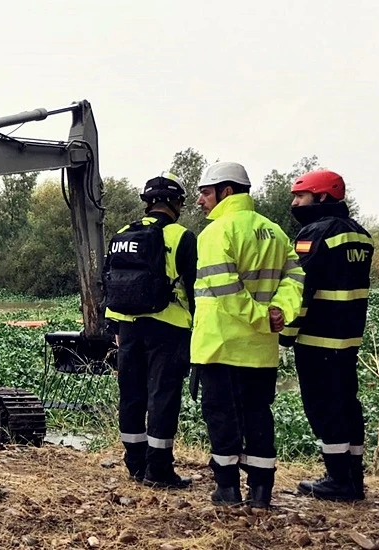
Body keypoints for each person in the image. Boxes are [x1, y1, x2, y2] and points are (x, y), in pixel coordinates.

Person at [190, 161, 304, 508]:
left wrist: (258, 317)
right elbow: (296, 277)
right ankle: (261, 492)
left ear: (227, 191)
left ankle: (227, 488)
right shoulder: (274, 232)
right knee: (258, 416)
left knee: (222, 417)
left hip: (220, 345)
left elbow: (225, 291)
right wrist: (280, 313)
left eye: (205, 193)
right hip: (261, 350)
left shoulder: (215, 233)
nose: (199, 201)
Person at [279, 169, 373, 502]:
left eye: (299, 197)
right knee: (348, 403)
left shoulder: (315, 234)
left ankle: (337, 480)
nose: (294, 203)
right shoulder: (360, 235)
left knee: (323, 406)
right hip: (348, 338)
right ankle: (353, 476)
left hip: (318, 337)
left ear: (321, 198)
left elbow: (301, 290)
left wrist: (286, 334)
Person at [103, 172, 197, 489]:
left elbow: (109, 281)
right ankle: (158, 470)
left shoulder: (121, 233)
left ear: (148, 202)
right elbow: (195, 288)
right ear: (174, 203)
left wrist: (113, 325)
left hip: (127, 327)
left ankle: (134, 464)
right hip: (168, 328)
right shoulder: (182, 237)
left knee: (131, 395)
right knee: (163, 397)